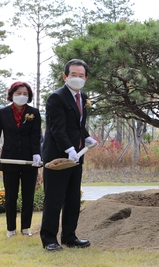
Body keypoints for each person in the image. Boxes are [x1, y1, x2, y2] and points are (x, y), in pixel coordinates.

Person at [40, 59, 97, 252]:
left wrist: (87, 138)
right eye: (73, 74)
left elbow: (78, 125)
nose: (77, 78)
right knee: (54, 198)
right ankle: (49, 239)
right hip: (58, 156)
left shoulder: (84, 97)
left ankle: (69, 236)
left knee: (73, 198)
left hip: (77, 156)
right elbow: (57, 129)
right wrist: (69, 149)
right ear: (65, 76)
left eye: (81, 75)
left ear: (86, 78)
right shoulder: (56, 98)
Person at [0, 82, 42, 238]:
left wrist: (36, 154)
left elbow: (36, 136)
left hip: (29, 160)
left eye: (25, 93)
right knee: (11, 195)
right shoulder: (3, 113)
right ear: (12, 94)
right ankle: (11, 229)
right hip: (9, 159)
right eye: (19, 93)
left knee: (28, 195)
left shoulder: (34, 112)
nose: (22, 96)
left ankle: (26, 227)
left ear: (29, 96)